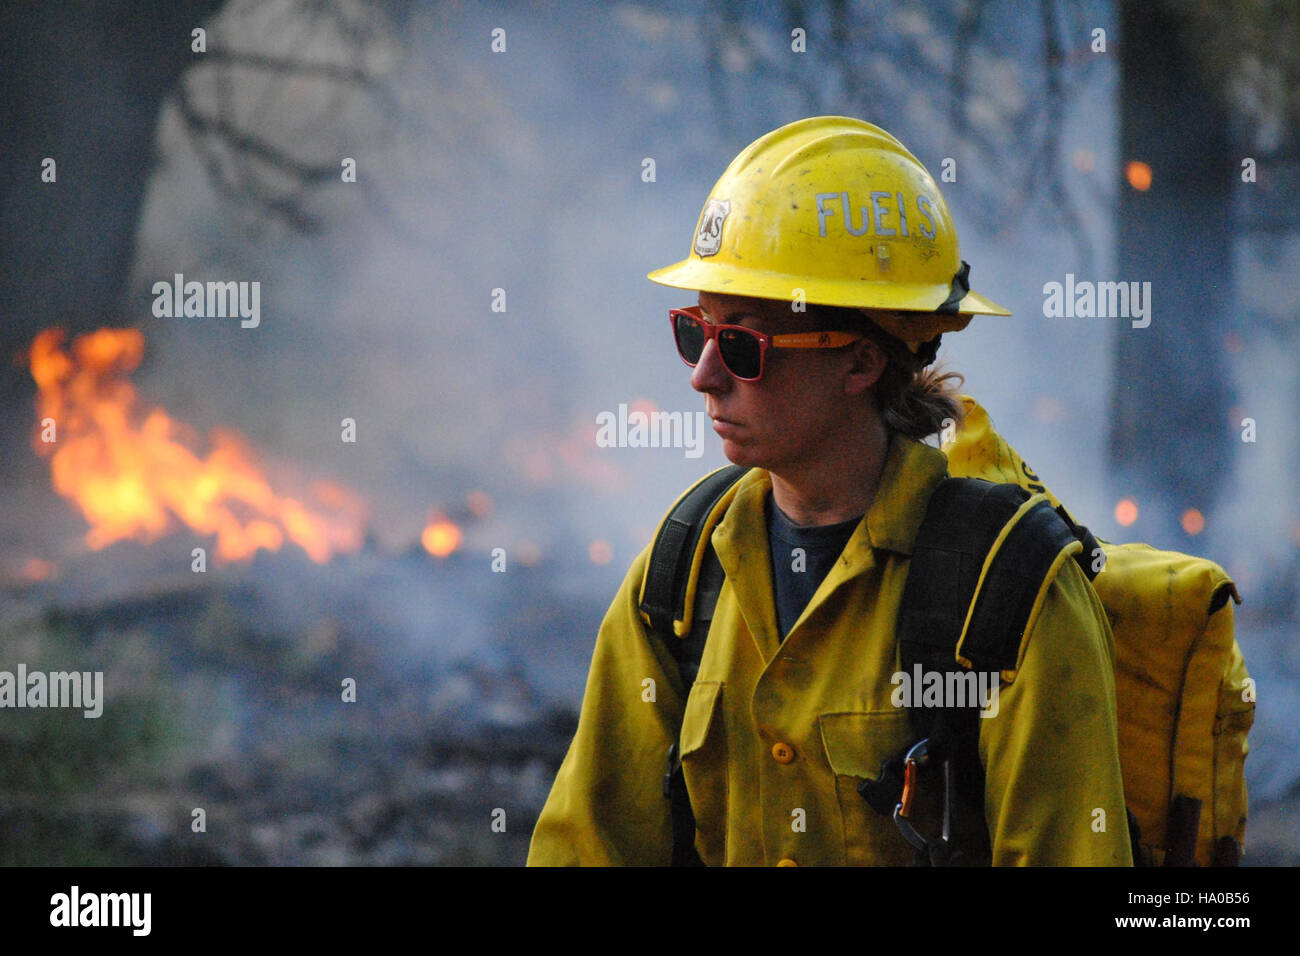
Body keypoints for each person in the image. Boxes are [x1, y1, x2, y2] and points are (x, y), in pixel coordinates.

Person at [526, 116, 1132, 866]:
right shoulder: (682, 573)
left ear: (860, 364)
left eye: (742, 343)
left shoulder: (1009, 591)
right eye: (696, 332)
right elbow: (589, 844)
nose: (702, 375)